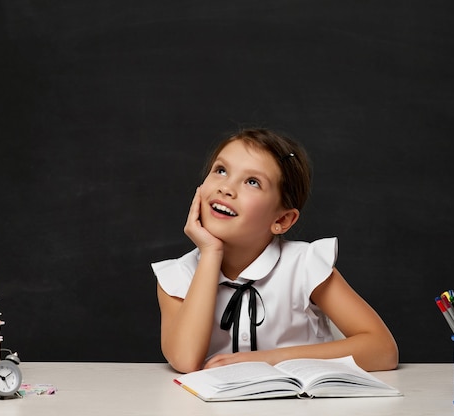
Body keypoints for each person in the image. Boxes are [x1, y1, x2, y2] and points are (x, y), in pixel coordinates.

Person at [152, 128, 398, 374]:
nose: (226, 188)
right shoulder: (176, 276)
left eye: (252, 182)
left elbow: (383, 350)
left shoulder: (305, 265)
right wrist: (210, 253)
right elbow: (185, 360)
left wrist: (270, 359)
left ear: (282, 220)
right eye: (221, 170)